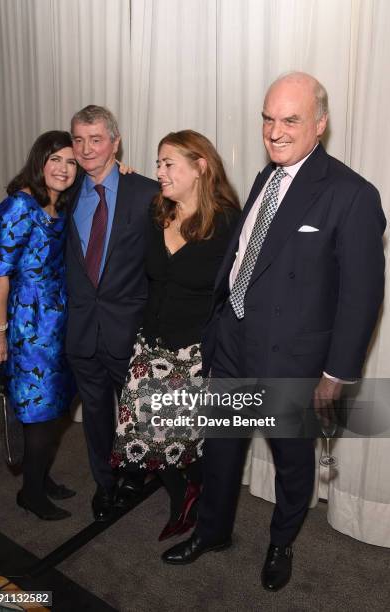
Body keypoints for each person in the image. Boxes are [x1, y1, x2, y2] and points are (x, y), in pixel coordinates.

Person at [162, 73, 386, 591]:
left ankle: (281, 540)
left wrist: (336, 373)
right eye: (268, 118)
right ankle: (212, 530)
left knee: (290, 457)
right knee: (220, 445)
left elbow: (362, 295)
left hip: (291, 357)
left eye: (290, 119)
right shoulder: (268, 175)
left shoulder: (353, 195)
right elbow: (249, 253)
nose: (275, 130)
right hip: (235, 339)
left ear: (320, 124)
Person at [110, 129, 240, 540]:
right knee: (150, 438)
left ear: (200, 166)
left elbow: (238, 293)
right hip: (150, 346)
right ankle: (184, 496)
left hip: (195, 354)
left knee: (187, 444)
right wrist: (118, 170)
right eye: (157, 163)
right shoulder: (157, 212)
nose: (159, 172)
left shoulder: (228, 223)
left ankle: (195, 497)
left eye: (168, 164)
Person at [65, 105, 158, 521]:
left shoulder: (146, 192)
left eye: (96, 139)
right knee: (97, 416)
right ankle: (105, 484)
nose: (86, 149)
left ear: (115, 142)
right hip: (83, 331)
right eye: (79, 140)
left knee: (136, 412)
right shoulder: (64, 195)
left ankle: (136, 473)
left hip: (131, 329)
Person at [0, 131, 78, 520]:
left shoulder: (60, 205)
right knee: (37, 411)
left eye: (71, 162)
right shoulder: (18, 207)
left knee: (55, 406)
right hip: (29, 326)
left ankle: (40, 478)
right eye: (55, 159)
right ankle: (31, 493)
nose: (63, 168)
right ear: (39, 161)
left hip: (60, 320)